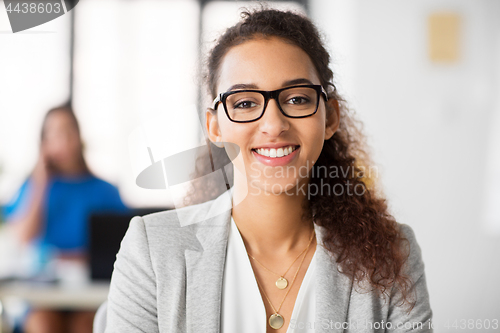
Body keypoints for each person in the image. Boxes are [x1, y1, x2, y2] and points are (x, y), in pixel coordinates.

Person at [105, 8, 433, 333]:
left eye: (297, 99)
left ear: (330, 117)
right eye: (245, 103)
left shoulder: (391, 252)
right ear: (215, 127)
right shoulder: (151, 250)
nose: (274, 125)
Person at [4, 105, 128, 333]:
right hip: (42, 294)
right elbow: (22, 237)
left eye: (68, 131)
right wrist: (40, 179)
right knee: (44, 324)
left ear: (79, 137)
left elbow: (125, 245)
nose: (62, 140)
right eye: (54, 133)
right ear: (43, 142)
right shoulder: (33, 187)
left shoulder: (105, 191)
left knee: (85, 325)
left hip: (88, 293)